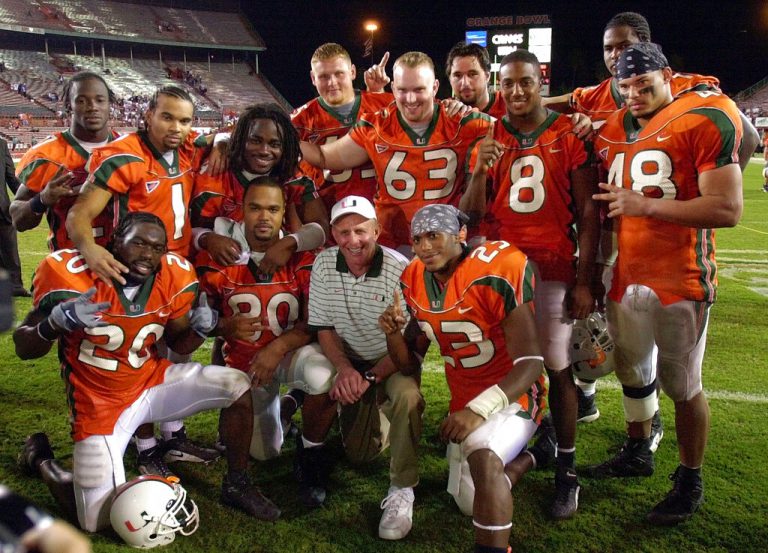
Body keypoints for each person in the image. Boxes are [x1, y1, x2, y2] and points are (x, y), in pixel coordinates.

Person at [543, 11, 758, 431]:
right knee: (615, 342)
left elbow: (743, 142)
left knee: (674, 371)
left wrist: (694, 190)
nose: (617, 57)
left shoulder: (694, 95)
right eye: (609, 49)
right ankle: (607, 412)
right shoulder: (603, 98)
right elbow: (565, 104)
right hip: (618, 237)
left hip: (674, 254)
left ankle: (663, 447)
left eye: (623, 47)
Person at [14, 211, 251, 532]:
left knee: (236, 384)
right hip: (99, 405)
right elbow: (23, 346)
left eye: (156, 248)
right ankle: (41, 457)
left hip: (150, 382)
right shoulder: (70, 275)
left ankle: (239, 483)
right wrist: (52, 324)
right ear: (114, 242)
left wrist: (200, 329)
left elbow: (179, 344)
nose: (147, 255)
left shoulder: (173, 274)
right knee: (95, 522)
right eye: (138, 243)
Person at [587, 43, 743, 526]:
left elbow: (727, 209)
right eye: (625, 86)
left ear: (668, 76)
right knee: (633, 371)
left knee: (682, 384)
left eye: (644, 84)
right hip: (627, 274)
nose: (633, 94)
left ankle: (690, 478)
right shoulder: (610, 129)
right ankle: (638, 450)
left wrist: (647, 205)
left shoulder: (702, 115)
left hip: (682, 277)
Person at [460, 49, 600, 520]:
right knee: (511, 363)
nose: (516, 92)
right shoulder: (489, 135)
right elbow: (473, 213)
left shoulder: (567, 133)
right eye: (508, 84)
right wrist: (480, 167)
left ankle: (567, 470)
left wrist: (586, 278)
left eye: (525, 82)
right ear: (499, 87)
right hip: (501, 271)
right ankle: (507, 440)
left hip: (553, 267)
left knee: (558, 367)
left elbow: (587, 212)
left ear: (540, 82)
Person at [66, 85, 220, 475]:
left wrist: (221, 140)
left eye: (184, 120)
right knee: (145, 355)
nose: (176, 127)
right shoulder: (124, 154)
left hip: (179, 267)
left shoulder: (187, 147)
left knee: (179, 348)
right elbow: (79, 214)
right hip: (139, 271)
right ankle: (147, 445)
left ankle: (173, 435)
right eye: (167, 116)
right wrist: (91, 250)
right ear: (147, 114)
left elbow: (223, 136)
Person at [378, 204, 547, 553]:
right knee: (469, 501)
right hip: (464, 402)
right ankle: (535, 456)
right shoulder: (413, 278)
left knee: (483, 455)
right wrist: (393, 334)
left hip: (514, 395)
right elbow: (409, 366)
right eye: (418, 239)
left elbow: (531, 362)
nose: (424, 247)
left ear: (461, 235)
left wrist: (479, 410)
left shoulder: (496, 270)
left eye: (434, 236)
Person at [197, 176, 331, 521]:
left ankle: (312, 453)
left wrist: (279, 347)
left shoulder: (302, 258)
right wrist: (222, 325)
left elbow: (315, 321)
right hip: (247, 369)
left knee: (322, 375)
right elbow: (195, 320)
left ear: (284, 212)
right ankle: (286, 408)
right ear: (241, 211)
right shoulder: (219, 258)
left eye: (273, 209)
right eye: (255, 208)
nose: (263, 217)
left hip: (288, 356)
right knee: (265, 453)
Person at [299, 195, 423, 540]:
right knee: (360, 454)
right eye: (343, 232)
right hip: (351, 359)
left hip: (392, 361)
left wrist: (369, 377)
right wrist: (345, 369)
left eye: (360, 231)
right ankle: (351, 420)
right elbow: (323, 327)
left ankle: (402, 488)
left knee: (407, 397)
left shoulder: (403, 269)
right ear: (332, 234)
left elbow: (410, 346)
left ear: (377, 231)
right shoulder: (324, 265)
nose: (352, 241)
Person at [300, 51, 492, 255]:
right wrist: (285, 137)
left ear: (435, 87)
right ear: (392, 88)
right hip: (394, 244)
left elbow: (511, 132)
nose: (410, 99)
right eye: (402, 90)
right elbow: (323, 157)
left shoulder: (462, 120)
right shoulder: (376, 125)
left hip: (447, 243)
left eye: (419, 89)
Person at [191, 103, 328, 272]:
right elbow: (189, 230)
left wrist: (292, 242)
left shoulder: (293, 174)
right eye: (255, 141)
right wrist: (207, 239)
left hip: (275, 265)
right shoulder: (214, 177)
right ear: (241, 140)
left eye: (274, 144)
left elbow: (322, 226)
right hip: (225, 269)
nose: (264, 151)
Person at [11, 72, 118, 252]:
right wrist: (42, 199)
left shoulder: (129, 150)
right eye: (82, 100)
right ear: (69, 106)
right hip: (69, 266)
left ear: (110, 105)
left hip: (122, 264)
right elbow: (17, 219)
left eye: (100, 100)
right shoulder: (45, 154)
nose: (93, 107)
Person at [291, 43, 393, 213]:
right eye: (323, 76)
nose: (332, 82)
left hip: (382, 216)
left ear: (352, 72)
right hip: (330, 218)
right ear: (312, 78)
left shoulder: (387, 105)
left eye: (339, 73)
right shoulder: (299, 121)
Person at [445, 41, 506, 118]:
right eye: (457, 75)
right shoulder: (445, 111)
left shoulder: (508, 105)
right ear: (450, 79)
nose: (465, 83)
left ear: (487, 76)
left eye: (472, 74)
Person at [0, 137, 29, 296]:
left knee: (9, 247)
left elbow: (11, 177)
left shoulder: (2, 144)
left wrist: (27, 197)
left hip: (1, 208)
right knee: (8, 247)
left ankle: (15, 286)